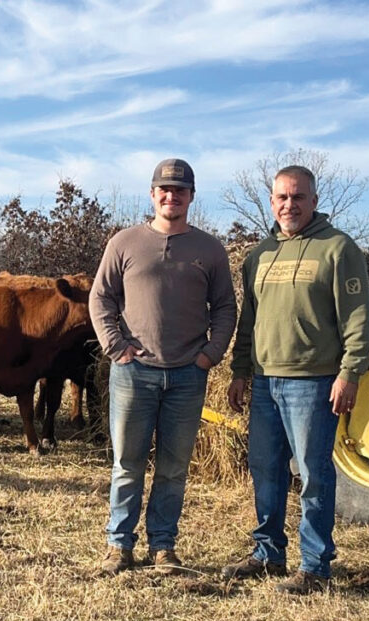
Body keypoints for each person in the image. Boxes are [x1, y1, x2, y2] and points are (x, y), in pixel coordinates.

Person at [223, 165, 369, 594]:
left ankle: (315, 565)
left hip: (314, 382)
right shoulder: (260, 256)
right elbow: (248, 321)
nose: (289, 205)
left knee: (313, 473)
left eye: (298, 197)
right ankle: (268, 553)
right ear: (272, 202)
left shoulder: (338, 249)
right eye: (282, 198)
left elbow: (359, 317)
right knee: (265, 469)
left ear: (314, 201)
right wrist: (239, 371)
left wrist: (350, 373)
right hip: (266, 381)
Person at [90, 158, 237, 576]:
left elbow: (225, 306)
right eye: (164, 190)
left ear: (192, 196)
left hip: (188, 375)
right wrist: (116, 346)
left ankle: (163, 547)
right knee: (127, 464)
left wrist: (211, 354)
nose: (172, 196)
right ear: (152, 194)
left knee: (173, 467)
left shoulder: (209, 249)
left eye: (180, 190)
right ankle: (119, 546)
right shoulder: (125, 243)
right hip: (134, 372)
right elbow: (100, 298)